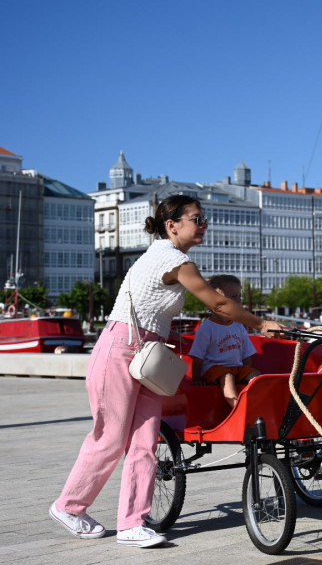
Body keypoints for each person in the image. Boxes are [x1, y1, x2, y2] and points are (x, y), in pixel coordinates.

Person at [50, 196, 284, 548]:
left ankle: (131, 523)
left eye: (204, 218)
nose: (203, 223)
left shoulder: (172, 257)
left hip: (148, 353)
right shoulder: (173, 259)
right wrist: (260, 323)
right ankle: (69, 506)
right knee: (110, 437)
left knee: (146, 441)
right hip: (119, 348)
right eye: (196, 218)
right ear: (172, 225)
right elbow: (218, 303)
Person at [189, 274, 260, 407]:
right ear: (216, 301)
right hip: (213, 369)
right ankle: (237, 407)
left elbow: (246, 354)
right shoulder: (207, 328)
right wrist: (197, 379)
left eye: (240, 296)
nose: (239, 300)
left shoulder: (239, 325)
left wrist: (247, 372)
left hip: (236, 368)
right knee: (227, 376)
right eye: (234, 297)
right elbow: (198, 357)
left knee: (256, 376)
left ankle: (257, 404)